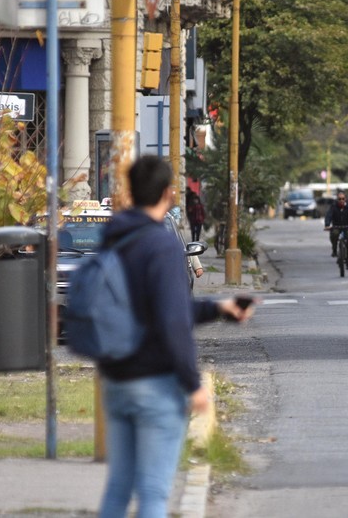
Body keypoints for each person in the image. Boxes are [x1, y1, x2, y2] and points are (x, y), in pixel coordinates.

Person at [97, 156, 253, 518]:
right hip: (155, 383)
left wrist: (218, 308)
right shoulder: (161, 244)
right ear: (168, 193)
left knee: (119, 486)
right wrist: (193, 383)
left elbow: (157, 309)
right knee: (153, 489)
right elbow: (171, 321)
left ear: (130, 191)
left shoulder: (112, 237)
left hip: (115, 379)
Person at [324, 190, 348, 270]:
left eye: (343, 199)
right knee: (334, 234)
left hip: (347, 227)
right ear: (337, 199)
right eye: (339, 199)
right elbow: (328, 215)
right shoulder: (333, 206)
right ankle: (334, 250)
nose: (341, 201)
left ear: (345, 199)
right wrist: (327, 224)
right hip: (336, 226)